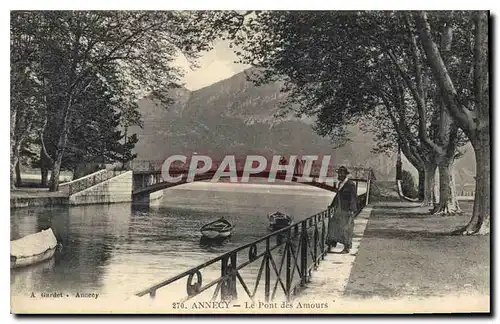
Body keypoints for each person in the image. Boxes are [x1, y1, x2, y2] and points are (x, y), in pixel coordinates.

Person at [326, 166, 358, 254]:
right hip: (339, 208)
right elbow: (337, 196)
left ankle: (347, 247)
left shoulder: (350, 184)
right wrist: (332, 205)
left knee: (346, 228)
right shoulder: (340, 184)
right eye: (339, 173)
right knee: (333, 224)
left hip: (346, 209)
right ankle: (332, 242)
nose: (339, 175)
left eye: (341, 173)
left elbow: (353, 197)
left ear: (345, 174)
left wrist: (352, 209)